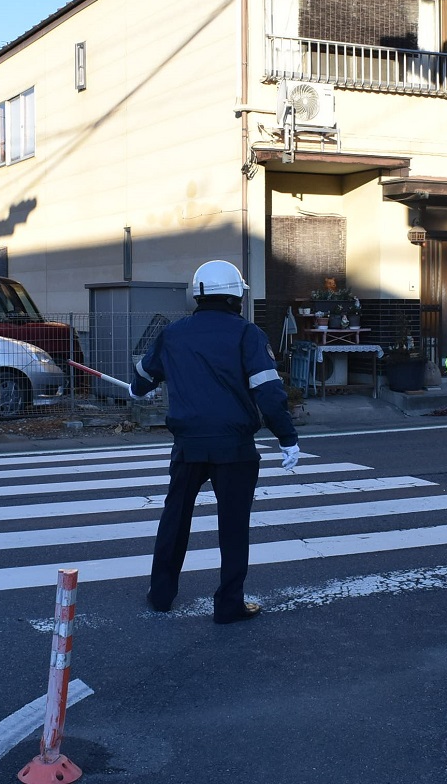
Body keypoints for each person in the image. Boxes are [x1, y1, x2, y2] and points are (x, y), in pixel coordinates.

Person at [130, 259, 300, 624]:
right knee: (233, 525)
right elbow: (269, 393)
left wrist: (137, 388)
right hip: (234, 446)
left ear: (198, 293)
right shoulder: (246, 334)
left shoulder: (173, 333)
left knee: (175, 519)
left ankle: (161, 594)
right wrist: (287, 437)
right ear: (236, 294)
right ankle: (228, 604)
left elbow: (143, 376)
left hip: (188, 444)